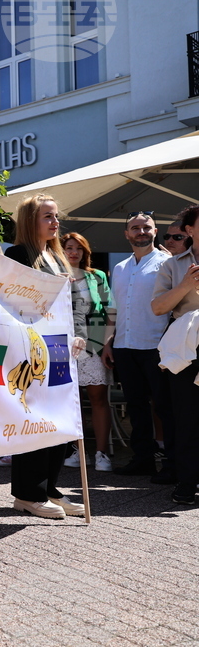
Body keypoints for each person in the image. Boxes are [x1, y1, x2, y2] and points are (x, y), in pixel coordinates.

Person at [4, 194, 86, 520]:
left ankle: (49, 488)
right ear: (30, 220)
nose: (55, 222)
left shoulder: (55, 256)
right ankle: (28, 494)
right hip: (32, 348)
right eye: (47, 216)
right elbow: (14, 302)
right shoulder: (17, 255)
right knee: (35, 420)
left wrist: (76, 334)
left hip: (59, 347)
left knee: (58, 419)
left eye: (56, 216)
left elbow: (69, 305)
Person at [100, 213, 175, 480]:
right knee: (135, 406)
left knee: (165, 407)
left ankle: (173, 464)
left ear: (155, 231)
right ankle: (142, 459)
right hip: (124, 346)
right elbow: (114, 308)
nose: (141, 232)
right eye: (135, 228)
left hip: (157, 345)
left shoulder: (168, 262)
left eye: (146, 227)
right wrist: (107, 342)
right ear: (127, 234)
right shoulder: (120, 267)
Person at [150, 204, 199, 505]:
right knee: (186, 415)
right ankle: (187, 481)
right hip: (185, 348)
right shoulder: (172, 265)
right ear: (190, 229)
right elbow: (157, 307)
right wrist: (185, 285)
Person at [60, 232, 114, 472]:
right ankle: (76, 450)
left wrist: (107, 343)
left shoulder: (97, 276)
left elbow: (110, 311)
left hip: (94, 343)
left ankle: (102, 454)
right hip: (63, 345)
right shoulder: (53, 276)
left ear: (85, 252)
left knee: (98, 398)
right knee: (70, 401)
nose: (74, 252)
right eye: (69, 248)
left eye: (79, 248)